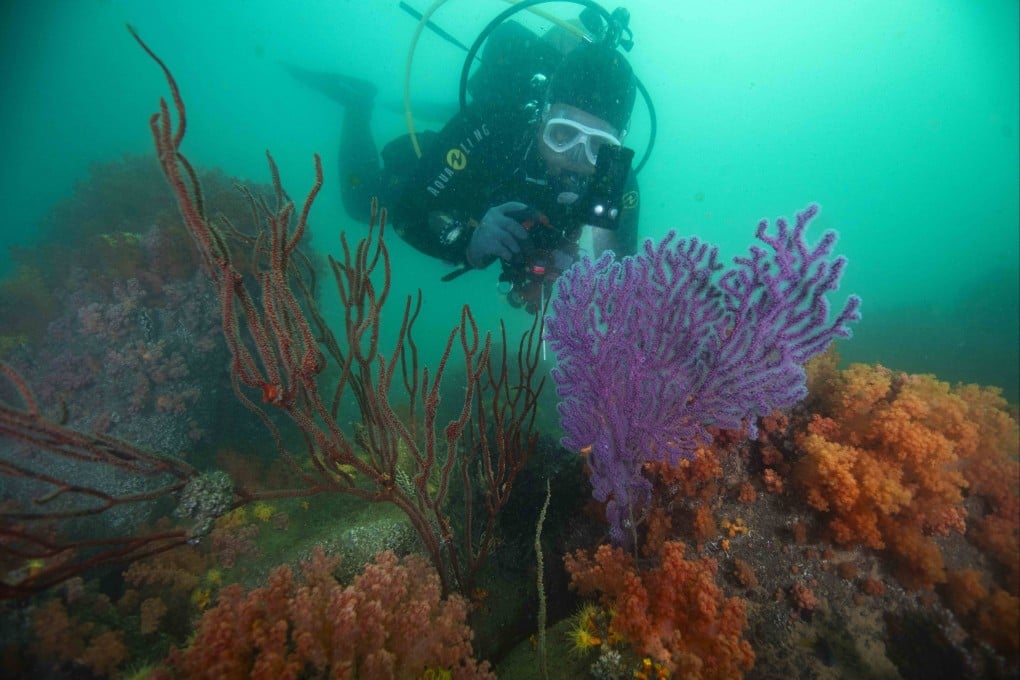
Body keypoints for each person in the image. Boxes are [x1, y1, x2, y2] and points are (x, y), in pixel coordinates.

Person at [288, 20, 641, 311]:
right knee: (358, 202)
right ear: (542, 116)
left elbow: (620, 282)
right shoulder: (493, 123)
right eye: (562, 135)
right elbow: (409, 214)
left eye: (599, 146)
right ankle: (358, 102)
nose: (575, 160)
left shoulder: (613, 176)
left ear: (617, 145)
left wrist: (586, 276)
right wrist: (469, 245)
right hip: (460, 178)